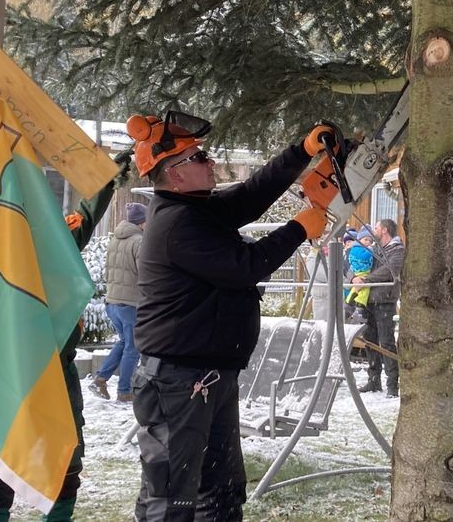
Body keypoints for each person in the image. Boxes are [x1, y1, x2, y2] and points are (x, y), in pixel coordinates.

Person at [126, 110, 332, 521]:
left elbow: (252, 195)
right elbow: (245, 265)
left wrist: (301, 153)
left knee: (219, 494)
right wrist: (297, 229)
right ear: (176, 174)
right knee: (172, 501)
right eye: (199, 158)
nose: (210, 162)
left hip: (208, 376)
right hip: (178, 381)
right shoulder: (177, 224)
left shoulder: (198, 209)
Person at [0, 152, 129, 521]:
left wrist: (107, 179)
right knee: (6, 455)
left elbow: (87, 218)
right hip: (14, 370)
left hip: (58, 370)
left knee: (67, 455)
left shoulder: (54, 240)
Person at [91, 201, 146, 402]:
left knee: (124, 342)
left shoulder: (116, 239)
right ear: (142, 222)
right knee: (133, 347)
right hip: (130, 304)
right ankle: (124, 391)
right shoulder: (139, 241)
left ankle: (101, 378)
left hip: (112, 301)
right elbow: (146, 273)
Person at [352, 219, 405, 397]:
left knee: (387, 342)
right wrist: (355, 277)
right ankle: (373, 380)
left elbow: (390, 270)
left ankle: (392, 384)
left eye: (376, 227)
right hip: (368, 300)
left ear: (384, 230)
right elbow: (360, 264)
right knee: (370, 342)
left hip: (384, 300)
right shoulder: (373, 249)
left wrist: (365, 280)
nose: (373, 230)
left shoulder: (397, 249)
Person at [344, 227, 375, 309]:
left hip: (360, 271)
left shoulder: (358, 248)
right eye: (366, 240)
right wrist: (370, 250)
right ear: (359, 239)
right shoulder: (357, 249)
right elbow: (364, 257)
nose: (368, 242)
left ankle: (349, 300)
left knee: (356, 288)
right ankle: (360, 303)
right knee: (365, 288)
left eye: (370, 241)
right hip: (361, 271)